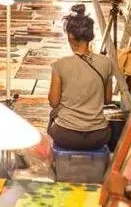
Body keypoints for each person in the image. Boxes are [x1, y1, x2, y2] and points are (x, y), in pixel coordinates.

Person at [48, 11, 112, 151]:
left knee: (53, 115)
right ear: (90, 36)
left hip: (66, 134)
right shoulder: (106, 63)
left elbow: (53, 102)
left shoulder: (59, 65)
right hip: (98, 135)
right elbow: (108, 100)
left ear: (71, 36)